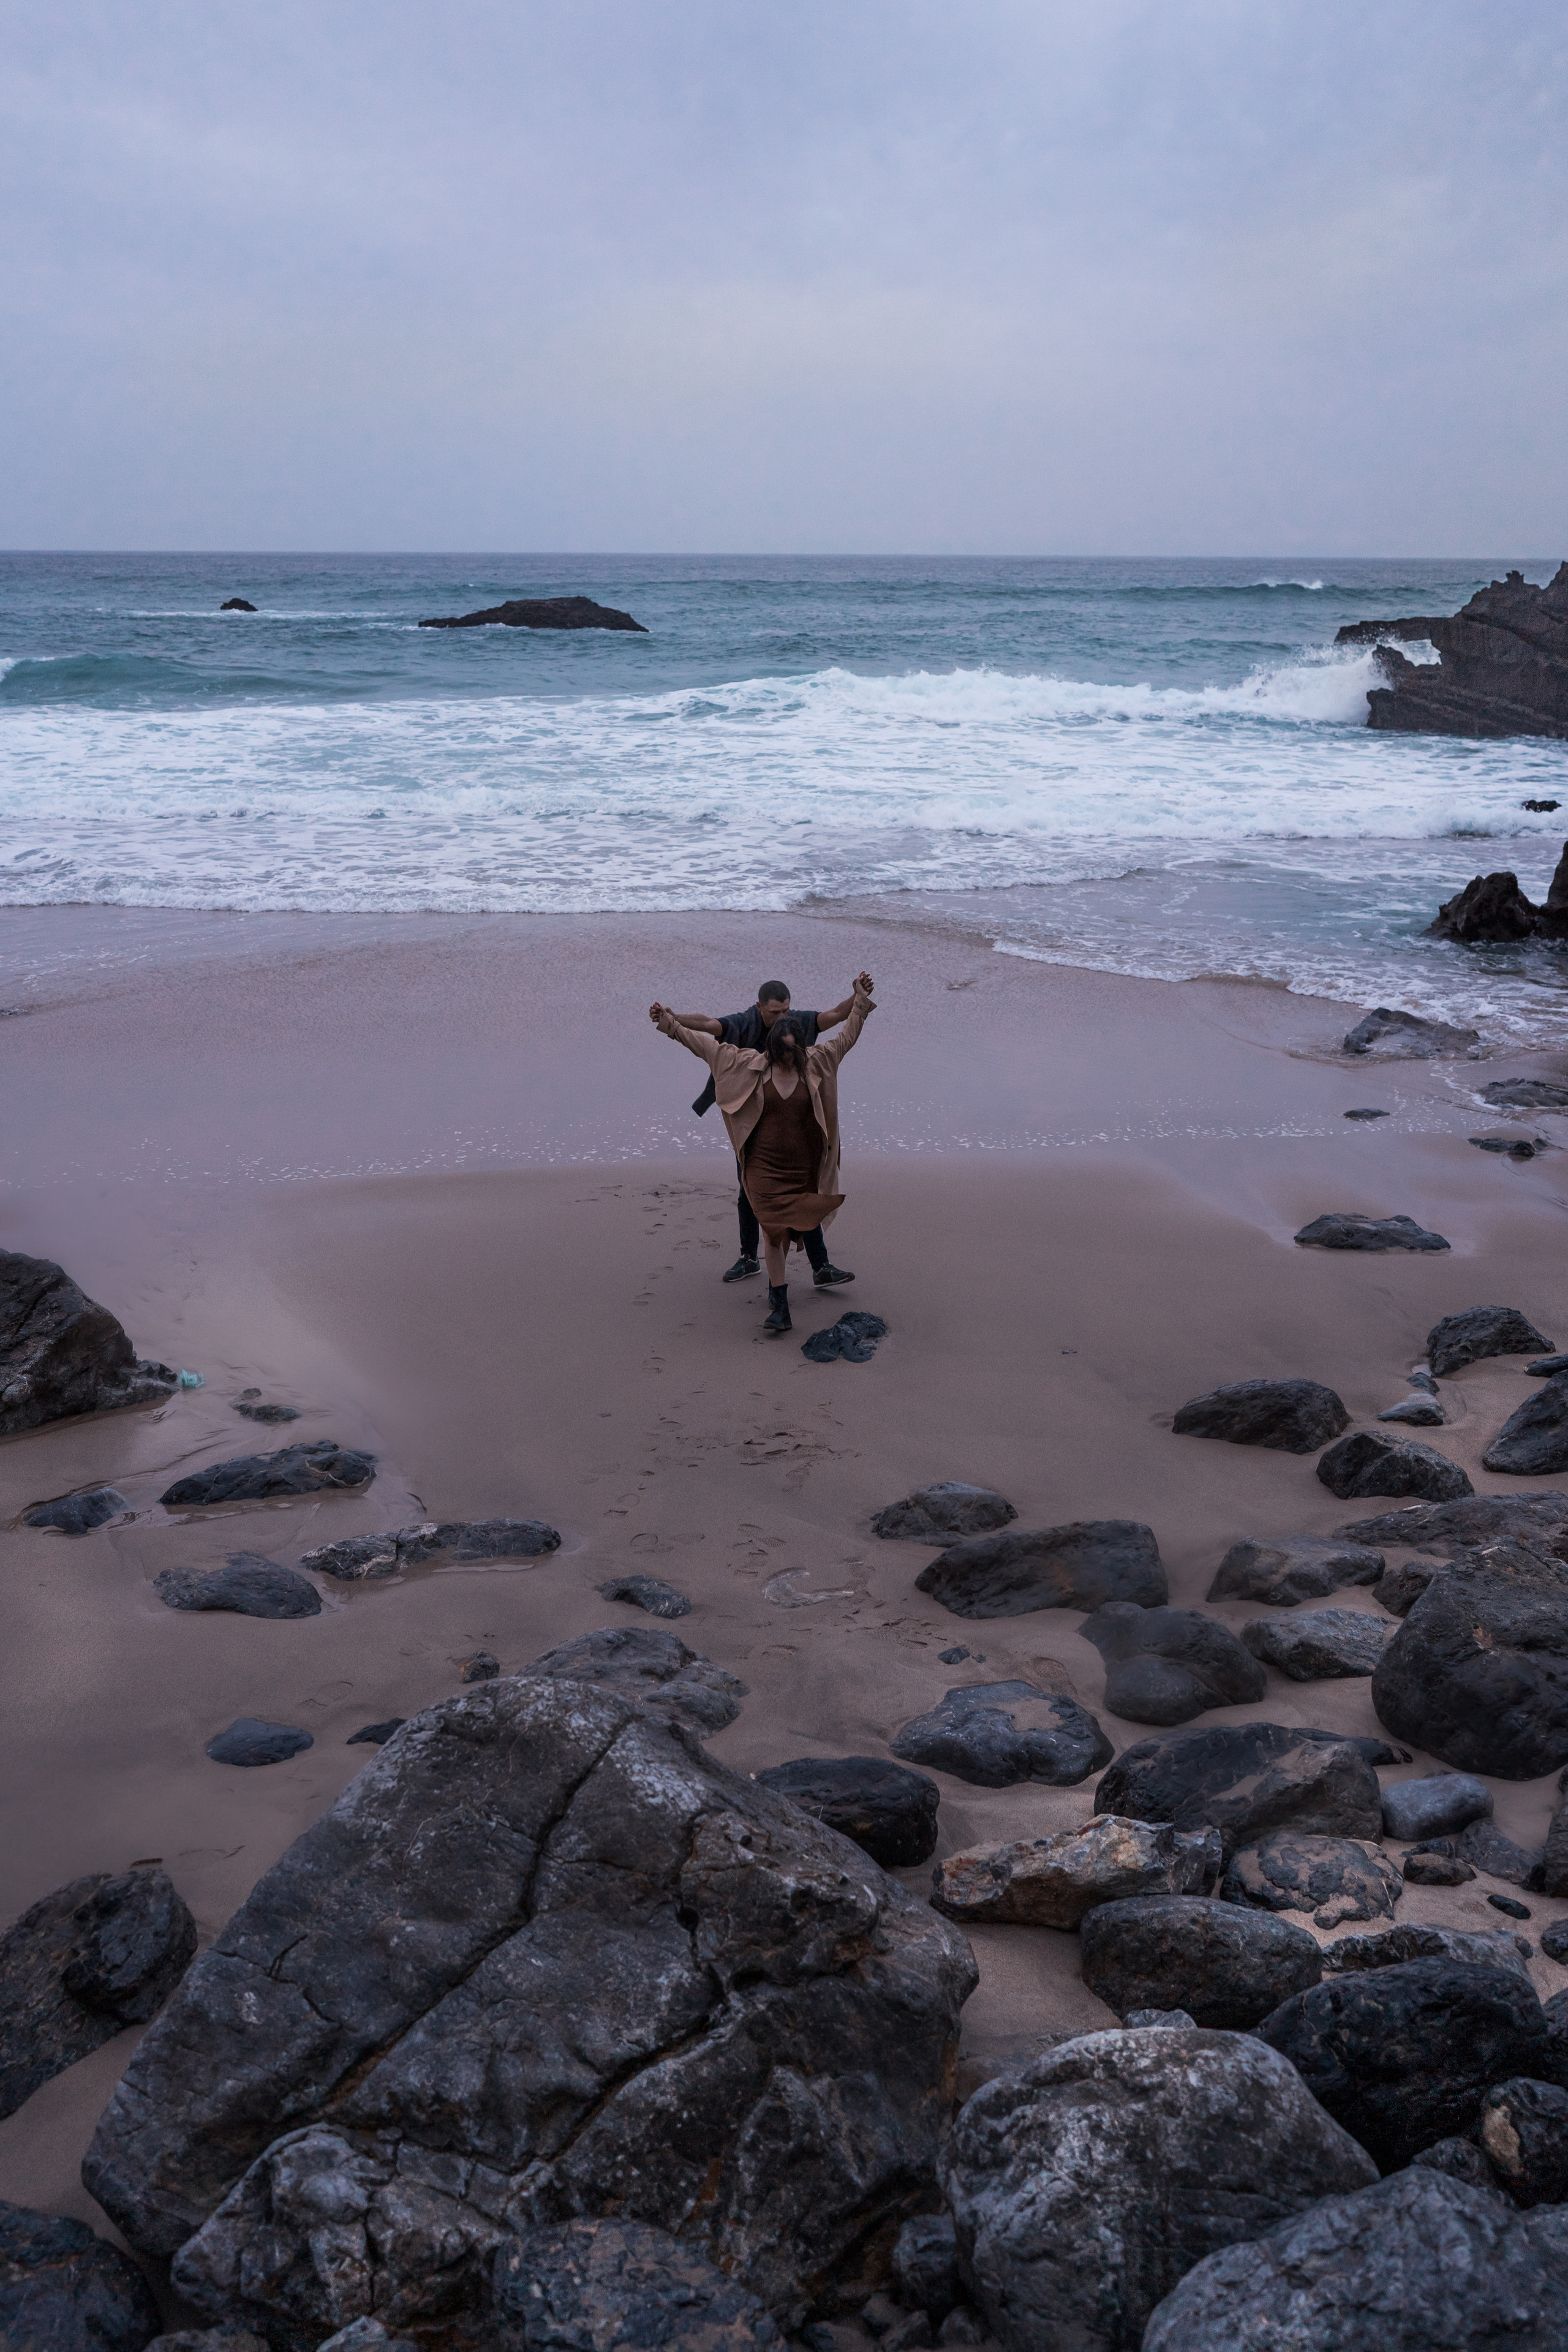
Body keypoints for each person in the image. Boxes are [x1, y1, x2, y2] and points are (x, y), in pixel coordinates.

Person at [649, 973, 875, 1333]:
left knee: (802, 1219)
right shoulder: (745, 1062)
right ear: (772, 1047)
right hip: (763, 1167)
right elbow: (704, 1041)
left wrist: (860, 1002)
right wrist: (670, 1023)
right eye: (782, 1054)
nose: (788, 1061)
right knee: (772, 1233)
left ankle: (816, 1270)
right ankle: (780, 1303)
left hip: (802, 1167)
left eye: (793, 1054)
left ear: (800, 1046)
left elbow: (845, 1034)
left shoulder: (815, 1061)